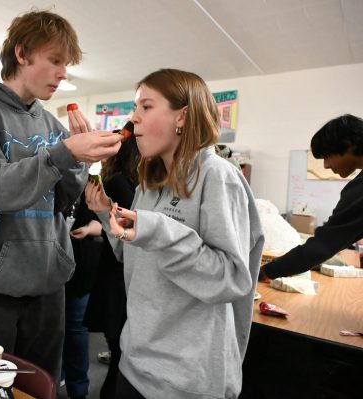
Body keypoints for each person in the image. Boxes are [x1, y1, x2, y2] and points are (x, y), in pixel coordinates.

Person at [0, 9, 121, 378]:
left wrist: (79, 161)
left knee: (42, 385)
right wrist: (66, 152)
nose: (63, 73)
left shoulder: (52, 124)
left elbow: (61, 202)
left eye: (66, 64)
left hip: (47, 285)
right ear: (23, 54)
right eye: (55, 60)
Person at [85, 68, 264, 399]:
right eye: (135, 108)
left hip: (185, 381)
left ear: (182, 116)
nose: (132, 119)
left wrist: (158, 230)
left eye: (146, 107)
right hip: (135, 363)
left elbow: (232, 279)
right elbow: (131, 255)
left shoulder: (217, 176)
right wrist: (105, 212)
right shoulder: (149, 181)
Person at [261, 114, 363, 280]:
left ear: (349, 145)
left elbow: (323, 245)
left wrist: (265, 272)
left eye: (327, 156)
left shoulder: (359, 191)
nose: (326, 165)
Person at [83, 120, 140, 399]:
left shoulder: (135, 183)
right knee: (121, 360)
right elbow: (128, 235)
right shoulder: (122, 183)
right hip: (117, 281)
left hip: (123, 277)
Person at [62, 192, 102, 399]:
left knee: (76, 331)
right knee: (52, 333)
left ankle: (78, 390)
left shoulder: (91, 186)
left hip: (80, 270)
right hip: (48, 271)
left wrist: (87, 229)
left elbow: (102, 222)